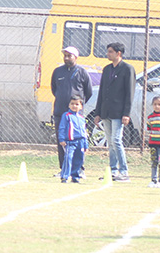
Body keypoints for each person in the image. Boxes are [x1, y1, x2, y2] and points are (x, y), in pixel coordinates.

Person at [95, 41, 136, 182]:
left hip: (119, 112)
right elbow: (101, 91)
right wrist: (98, 112)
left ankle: (124, 171)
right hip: (106, 112)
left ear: (118, 53)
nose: (108, 54)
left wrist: (126, 113)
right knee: (110, 142)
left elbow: (129, 93)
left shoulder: (127, 69)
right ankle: (113, 170)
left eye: (110, 52)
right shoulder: (107, 69)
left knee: (116, 140)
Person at [50, 46, 93, 177]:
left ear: (76, 57)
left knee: (78, 140)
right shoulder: (57, 72)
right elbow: (54, 89)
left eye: (70, 56)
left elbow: (88, 92)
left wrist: (76, 106)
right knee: (62, 140)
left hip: (76, 115)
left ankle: (79, 169)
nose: (67, 58)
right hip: (60, 113)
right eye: (65, 55)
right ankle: (64, 169)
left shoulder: (82, 72)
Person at [57, 95, 88, 183]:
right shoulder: (66, 115)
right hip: (70, 141)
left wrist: (85, 144)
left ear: (81, 106)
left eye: (77, 104)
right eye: (72, 104)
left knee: (79, 159)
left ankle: (75, 176)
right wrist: (62, 139)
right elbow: (62, 127)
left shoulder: (82, 118)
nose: (74, 106)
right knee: (68, 157)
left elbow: (84, 132)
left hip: (80, 142)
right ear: (69, 105)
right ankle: (65, 176)